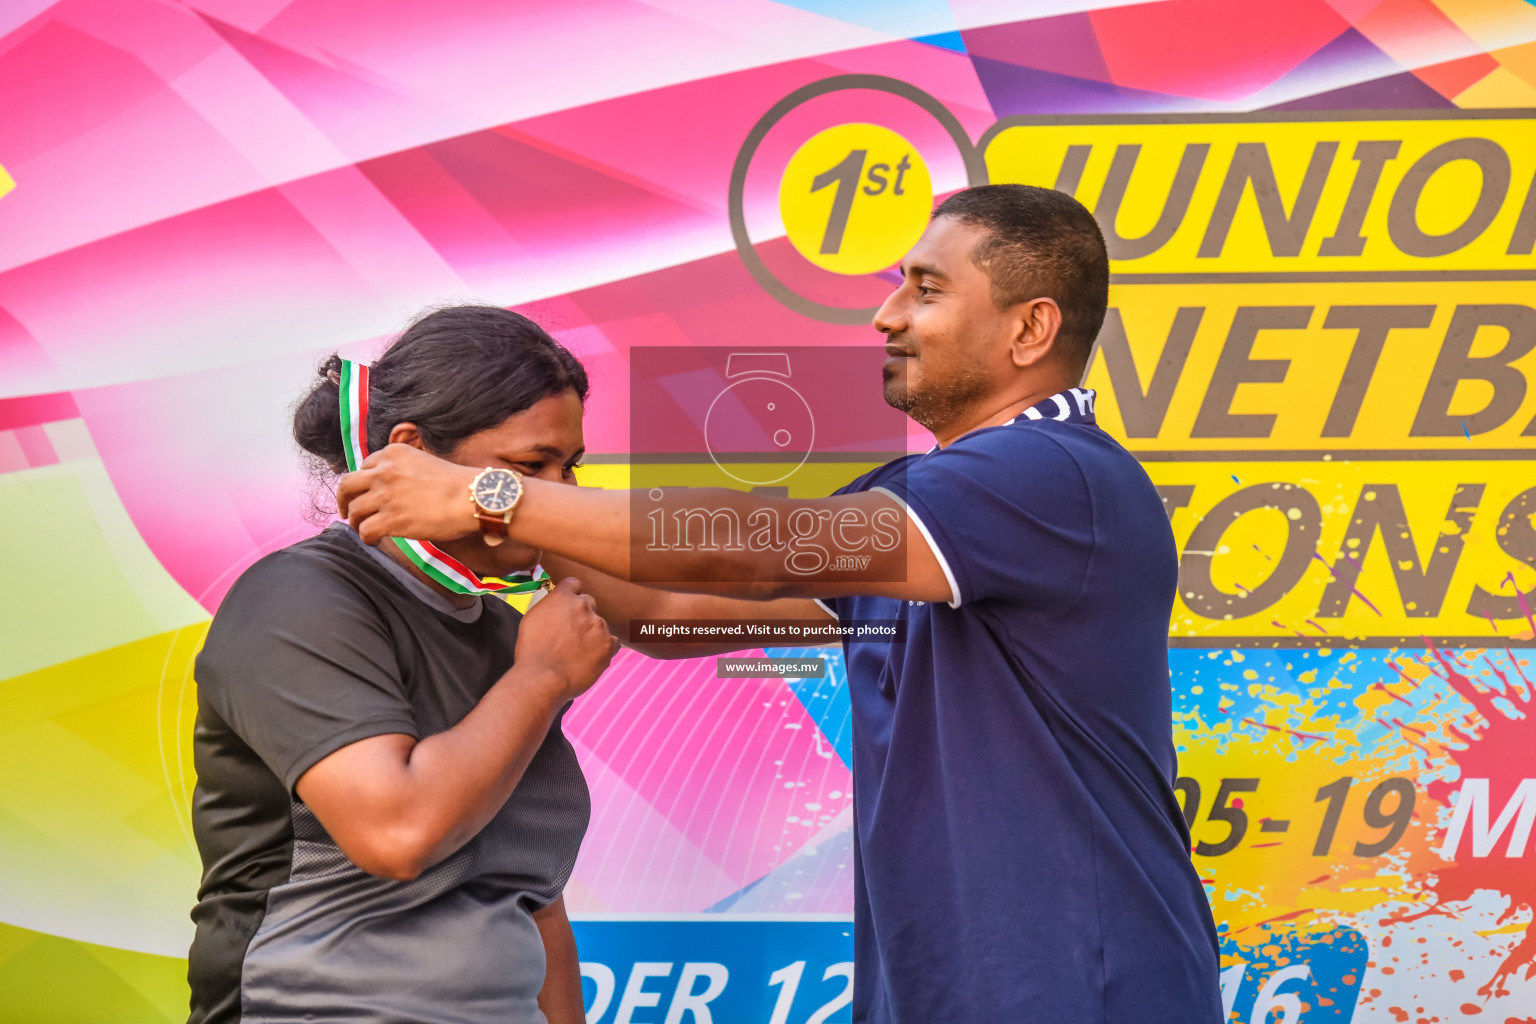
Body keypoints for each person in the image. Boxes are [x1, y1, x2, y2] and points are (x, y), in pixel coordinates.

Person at [337, 185, 1224, 1023]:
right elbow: (673, 614)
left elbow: (761, 554)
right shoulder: (929, 501)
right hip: (947, 986)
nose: (887, 316)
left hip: (1079, 983)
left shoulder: (1050, 474)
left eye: (926, 290)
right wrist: (520, 529)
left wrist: (495, 496)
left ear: (1030, 329)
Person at [187, 306, 619, 1024]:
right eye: (528, 466)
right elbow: (398, 833)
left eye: (569, 467)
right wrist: (541, 678)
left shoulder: (509, 632)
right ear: (410, 448)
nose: (556, 495)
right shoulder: (296, 601)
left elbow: (535, 904)